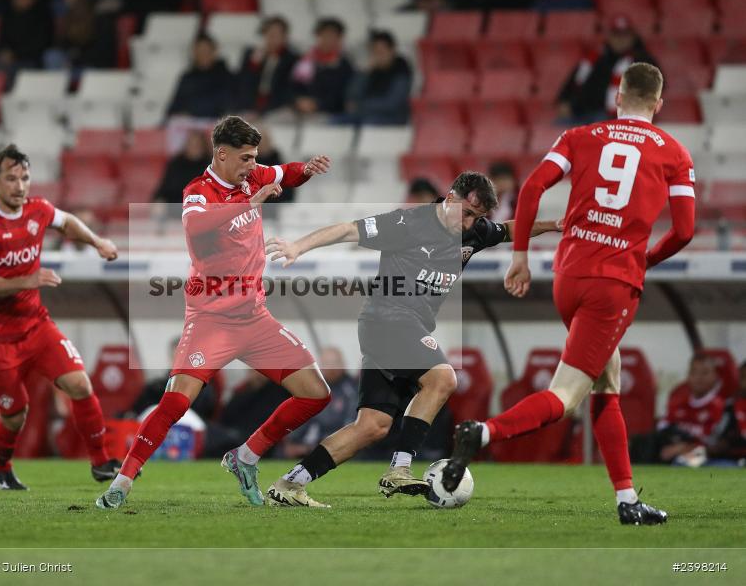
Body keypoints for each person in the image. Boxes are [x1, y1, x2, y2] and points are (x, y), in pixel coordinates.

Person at [442, 63, 696, 526]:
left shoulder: (582, 135)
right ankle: (482, 434)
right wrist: (645, 261)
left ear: (617, 98)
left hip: (568, 275)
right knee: (567, 395)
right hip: (613, 283)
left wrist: (519, 256)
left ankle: (626, 500)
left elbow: (535, 186)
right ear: (658, 104)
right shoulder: (674, 152)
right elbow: (684, 230)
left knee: (607, 379)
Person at [263, 172, 561, 507]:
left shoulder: (473, 231)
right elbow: (349, 229)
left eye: (476, 218)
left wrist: (553, 225)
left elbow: (508, 229)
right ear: (450, 197)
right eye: (465, 213)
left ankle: (290, 484)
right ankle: (400, 468)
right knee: (443, 378)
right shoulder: (408, 222)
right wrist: (298, 246)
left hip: (403, 329)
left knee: (372, 426)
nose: (468, 224)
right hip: (387, 320)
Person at [97, 115, 333, 509]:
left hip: (255, 318)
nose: (252, 166)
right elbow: (196, 227)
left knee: (315, 393)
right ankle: (123, 479)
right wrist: (249, 202)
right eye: (245, 158)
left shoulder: (252, 176)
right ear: (221, 155)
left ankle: (245, 457)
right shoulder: (198, 191)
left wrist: (305, 171)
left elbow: (286, 173)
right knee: (175, 402)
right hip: (211, 319)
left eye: (254, 158)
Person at [0, 144, 122, 490]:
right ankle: (0, 466)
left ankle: (100, 461)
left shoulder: (37, 210)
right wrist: (28, 279)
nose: (19, 186)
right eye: (10, 178)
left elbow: (67, 223)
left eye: (24, 178)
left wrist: (97, 241)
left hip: (35, 325)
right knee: (15, 414)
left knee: (80, 384)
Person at [557, 14, 658, 124]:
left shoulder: (642, 60)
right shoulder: (595, 57)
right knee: (558, 126)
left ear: (632, 36)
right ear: (609, 36)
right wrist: (564, 101)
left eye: (624, 35)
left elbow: (655, 87)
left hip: (613, 116)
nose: (620, 39)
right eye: (616, 35)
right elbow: (573, 81)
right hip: (580, 112)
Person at [283, 347, 359, 459]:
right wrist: (290, 440)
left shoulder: (352, 390)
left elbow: (351, 426)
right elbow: (298, 418)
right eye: (327, 363)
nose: (331, 367)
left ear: (343, 364)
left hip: (334, 449)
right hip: (303, 447)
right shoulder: (311, 388)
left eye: (335, 363)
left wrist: (311, 447)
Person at [656, 353, 726, 465]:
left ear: (715, 376)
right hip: (672, 453)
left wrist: (684, 448)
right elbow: (662, 428)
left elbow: (716, 443)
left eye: (705, 373)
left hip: (706, 457)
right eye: (694, 372)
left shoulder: (720, 406)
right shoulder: (678, 400)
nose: (699, 377)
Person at [290, 18, 354, 120]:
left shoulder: (344, 66)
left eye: (332, 36)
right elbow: (295, 86)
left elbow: (341, 97)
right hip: (299, 110)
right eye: (324, 35)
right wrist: (298, 101)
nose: (327, 40)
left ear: (339, 39)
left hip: (328, 114)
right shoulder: (306, 61)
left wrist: (317, 105)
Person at [344, 30, 412, 126]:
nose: (378, 56)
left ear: (392, 50)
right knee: (335, 122)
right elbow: (351, 96)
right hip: (365, 115)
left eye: (381, 51)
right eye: (375, 52)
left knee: (366, 125)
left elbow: (392, 104)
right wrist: (365, 73)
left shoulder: (401, 70)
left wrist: (361, 105)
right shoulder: (371, 71)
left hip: (392, 118)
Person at [236, 16, 299, 115]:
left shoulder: (292, 59)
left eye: (277, 34)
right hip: (251, 107)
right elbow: (243, 84)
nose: (272, 37)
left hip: (278, 108)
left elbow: (288, 87)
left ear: (285, 36)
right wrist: (254, 65)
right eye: (269, 33)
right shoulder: (251, 54)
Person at [0, 0, 53, 78]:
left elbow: (41, 43)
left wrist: (16, 55)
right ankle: (0, 87)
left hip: (30, 59)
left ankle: (8, 86)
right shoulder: (9, 15)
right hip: (9, 58)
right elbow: (3, 39)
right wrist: (4, 51)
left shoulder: (42, 15)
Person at [166, 34, 234, 119]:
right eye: (199, 51)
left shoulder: (226, 77)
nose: (202, 55)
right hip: (189, 126)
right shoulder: (187, 78)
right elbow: (173, 109)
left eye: (206, 50)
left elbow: (227, 105)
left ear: (214, 51)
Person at [154, 130, 212, 204]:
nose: (194, 148)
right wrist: (158, 200)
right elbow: (164, 187)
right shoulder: (176, 164)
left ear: (203, 147)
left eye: (197, 144)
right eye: (191, 144)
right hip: (175, 204)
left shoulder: (211, 166)